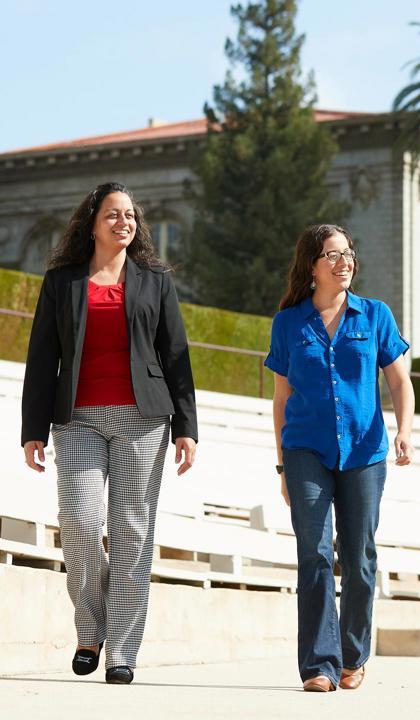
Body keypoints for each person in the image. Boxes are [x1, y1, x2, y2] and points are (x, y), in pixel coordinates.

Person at [21, 182, 198, 685]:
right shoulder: (62, 281)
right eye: (114, 214)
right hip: (77, 417)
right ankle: (89, 626)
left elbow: (175, 356)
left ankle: (121, 649)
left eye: (131, 216)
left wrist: (186, 426)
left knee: (132, 533)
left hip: (143, 421)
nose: (125, 222)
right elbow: (41, 357)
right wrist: (32, 427)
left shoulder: (156, 280)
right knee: (78, 522)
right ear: (92, 222)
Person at [265, 223, 415, 692]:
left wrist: (405, 431)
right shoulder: (289, 323)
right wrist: (283, 465)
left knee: (359, 556)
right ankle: (318, 665)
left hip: (365, 453)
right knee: (313, 553)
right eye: (332, 255)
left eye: (348, 252)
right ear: (312, 266)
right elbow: (281, 400)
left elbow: (399, 382)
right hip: (306, 449)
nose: (344, 261)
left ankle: (353, 655)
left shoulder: (375, 316)